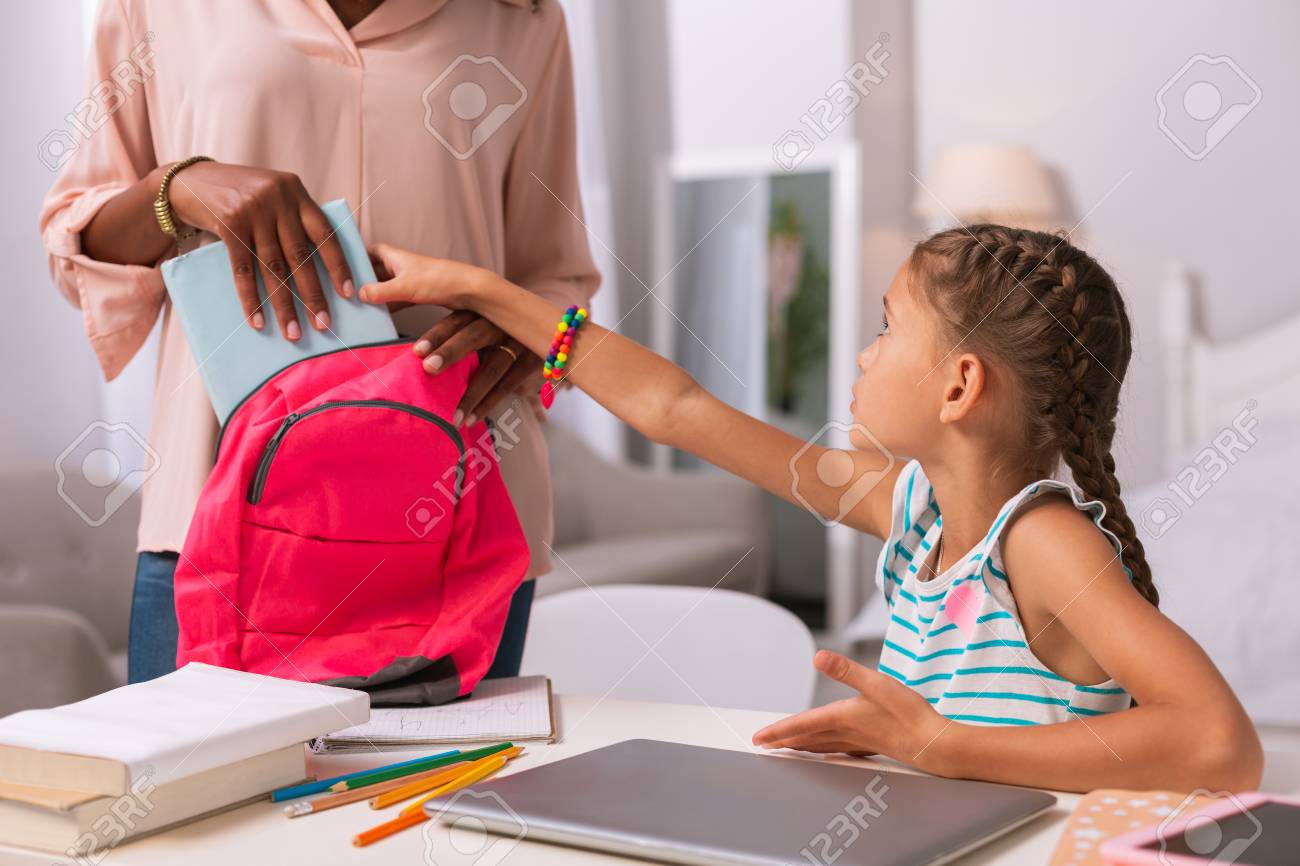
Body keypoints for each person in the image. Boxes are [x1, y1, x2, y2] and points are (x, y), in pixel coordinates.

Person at [354, 225, 1263, 793]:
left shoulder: (1044, 546)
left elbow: (1219, 742)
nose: (865, 356)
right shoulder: (909, 509)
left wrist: (942, 748)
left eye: (885, 327)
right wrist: (489, 296)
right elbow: (680, 411)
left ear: (959, 386)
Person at [39, 0, 598, 683]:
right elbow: (77, 243)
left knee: (445, 793)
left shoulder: (524, 19)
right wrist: (174, 189)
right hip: (215, 515)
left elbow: (558, 276)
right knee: (192, 790)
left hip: (459, 519)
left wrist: (527, 335)